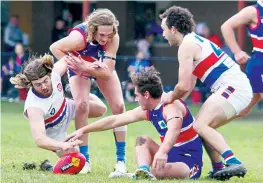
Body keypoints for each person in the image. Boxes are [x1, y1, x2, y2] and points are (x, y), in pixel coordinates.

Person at [159, 6, 253, 180]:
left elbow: (183, 86)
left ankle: (233, 161)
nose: (163, 34)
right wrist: (178, 104)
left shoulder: (186, 46)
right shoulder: (194, 40)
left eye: (164, 30)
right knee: (203, 127)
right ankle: (218, 169)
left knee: (200, 126)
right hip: (235, 87)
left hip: (233, 87)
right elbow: (191, 82)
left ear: (173, 29)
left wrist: (168, 98)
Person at [67, 67, 203, 180]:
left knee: (158, 172)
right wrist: (83, 130)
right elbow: (115, 120)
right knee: (142, 140)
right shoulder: (149, 109)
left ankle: (149, 173)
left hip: (188, 161)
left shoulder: (170, 106)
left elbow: (174, 130)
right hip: (169, 155)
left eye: (137, 95)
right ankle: (142, 172)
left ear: (147, 95)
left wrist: (162, 152)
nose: (136, 99)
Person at [49, 8, 127, 177]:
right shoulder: (78, 39)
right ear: (93, 30)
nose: (105, 39)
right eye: (101, 35)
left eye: (109, 34)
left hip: (98, 65)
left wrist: (89, 67)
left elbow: (107, 72)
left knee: (119, 106)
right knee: (82, 106)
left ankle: (121, 162)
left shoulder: (113, 37)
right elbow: (55, 47)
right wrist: (74, 63)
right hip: (79, 65)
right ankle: (85, 160)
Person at [10, 54, 107, 173]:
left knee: (101, 109)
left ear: (49, 74)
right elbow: (39, 139)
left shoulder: (55, 72)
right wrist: (62, 145)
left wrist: (91, 64)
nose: (44, 86)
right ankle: (50, 167)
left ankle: (76, 93)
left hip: (67, 108)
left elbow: (71, 56)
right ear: (31, 84)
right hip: (55, 132)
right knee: (76, 157)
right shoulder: (33, 107)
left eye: (45, 81)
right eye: (38, 85)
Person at [221, 0, 263, 117]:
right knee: (241, 107)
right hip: (260, 65)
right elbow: (226, 26)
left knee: (243, 109)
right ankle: (203, 125)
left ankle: (204, 124)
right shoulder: (253, 11)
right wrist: (237, 52)